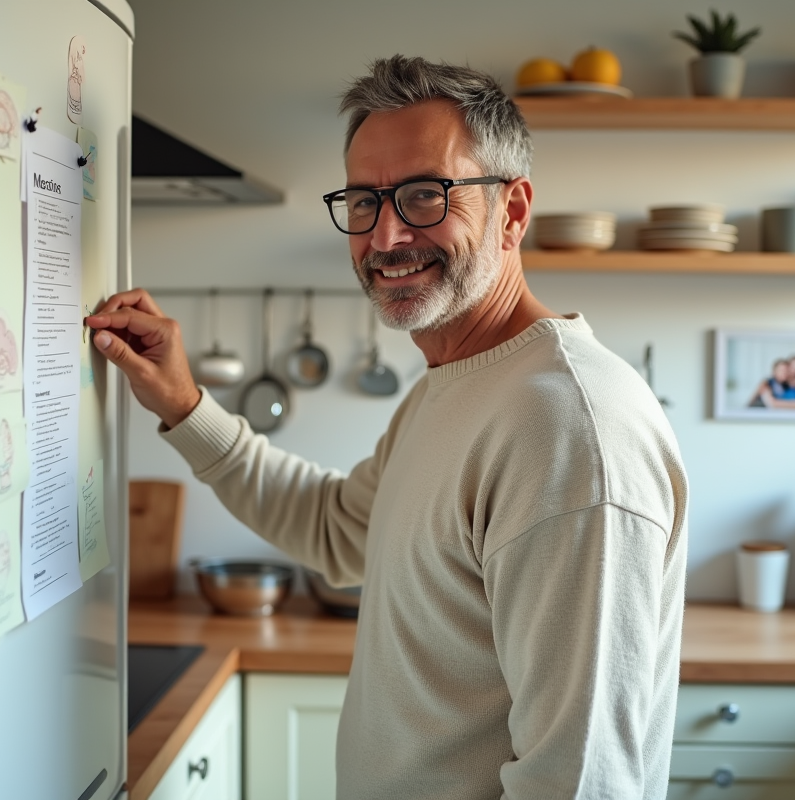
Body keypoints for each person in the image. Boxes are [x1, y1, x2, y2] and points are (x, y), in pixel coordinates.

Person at [87, 55, 688, 799]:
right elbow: (340, 529)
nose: (387, 236)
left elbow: (584, 784)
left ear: (514, 209)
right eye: (365, 203)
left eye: (424, 195)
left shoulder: (565, 426)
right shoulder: (458, 386)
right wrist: (183, 404)